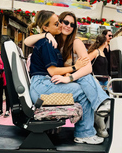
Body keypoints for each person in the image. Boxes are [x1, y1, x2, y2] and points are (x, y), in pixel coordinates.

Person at [27, 10, 110, 144]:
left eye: (72, 24)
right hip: (42, 85)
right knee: (83, 90)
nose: (67, 26)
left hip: (47, 83)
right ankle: (88, 127)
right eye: (63, 22)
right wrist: (46, 34)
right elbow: (28, 42)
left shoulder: (70, 42)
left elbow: (87, 68)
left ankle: (98, 108)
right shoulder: (48, 41)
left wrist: (69, 76)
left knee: (84, 79)